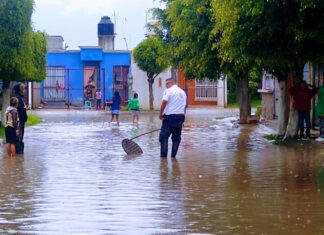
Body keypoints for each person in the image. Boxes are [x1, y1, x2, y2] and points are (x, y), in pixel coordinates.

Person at [159, 78, 187, 158]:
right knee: (176, 138)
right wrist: (182, 121)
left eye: (167, 84)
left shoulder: (168, 91)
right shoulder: (183, 93)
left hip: (169, 118)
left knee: (164, 136)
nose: (166, 86)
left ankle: (163, 158)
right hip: (180, 117)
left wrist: (160, 114)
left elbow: (164, 102)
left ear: (170, 83)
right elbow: (184, 107)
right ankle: (173, 157)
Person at [12, 83, 28, 154]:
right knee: (18, 138)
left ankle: (18, 160)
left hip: (21, 121)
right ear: (20, 90)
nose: (25, 90)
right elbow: (15, 111)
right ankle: (18, 156)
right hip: (18, 122)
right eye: (24, 89)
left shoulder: (19, 97)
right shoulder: (16, 98)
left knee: (19, 138)